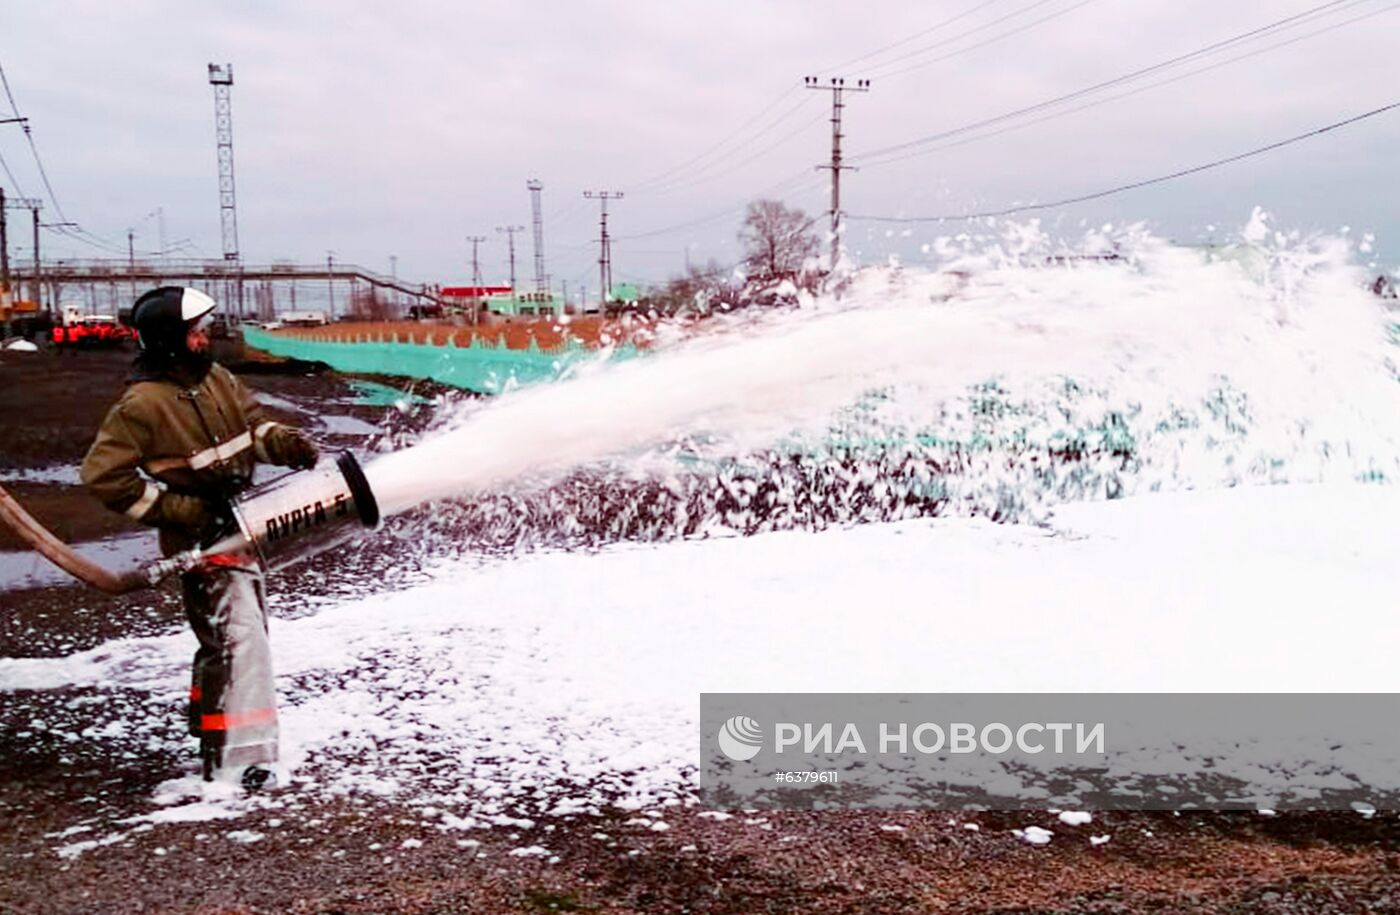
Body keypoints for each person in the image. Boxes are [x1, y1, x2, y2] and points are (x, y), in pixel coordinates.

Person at [80, 286, 319, 789]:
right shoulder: (141, 405)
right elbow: (105, 477)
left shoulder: (217, 379)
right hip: (198, 542)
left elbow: (252, 427)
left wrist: (283, 443)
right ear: (170, 339)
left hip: (239, 525)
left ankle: (214, 732)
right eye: (195, 331)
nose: (204, 336)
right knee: (238, 643)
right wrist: (183, 511)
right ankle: (234, 761)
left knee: (232, 639)